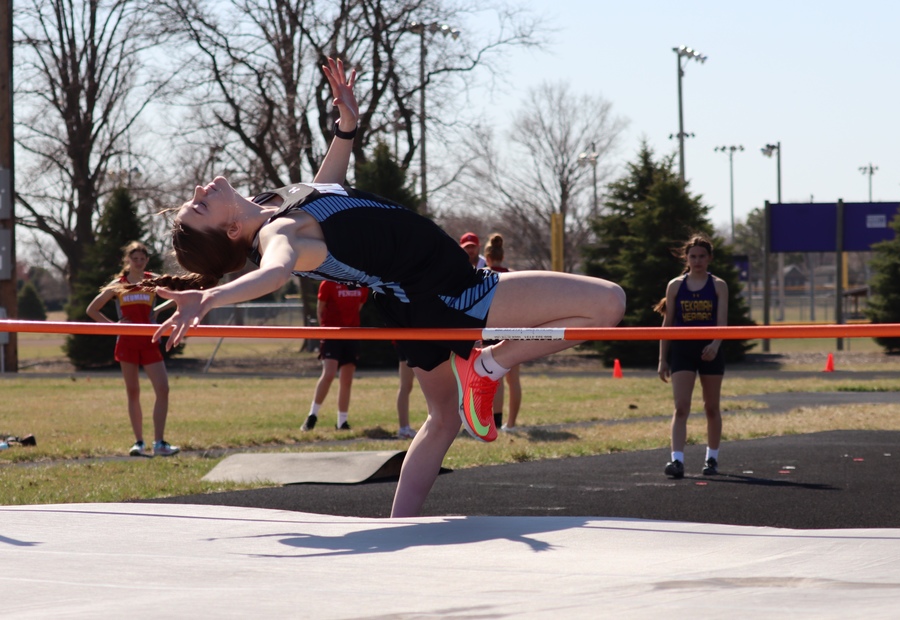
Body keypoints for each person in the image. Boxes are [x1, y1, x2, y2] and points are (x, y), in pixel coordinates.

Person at [148, 57, 625, 517]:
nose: (198, 193)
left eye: (193, 201)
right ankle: (491, 362)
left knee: (443, 420)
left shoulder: (273, 207)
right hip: (447, 290)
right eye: (201, 208)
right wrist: (210, 298)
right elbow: (276, 273)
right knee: (607, 305)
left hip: (408, 301)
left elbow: (326, 194)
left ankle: (398, 531)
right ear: (232, 232)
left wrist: (346, 127)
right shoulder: (278, 237)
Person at [86, 241, 179, 457]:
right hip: (127, 342)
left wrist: (156, 311)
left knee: (163, 389)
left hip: (149, 340)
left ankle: (160, 443)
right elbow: (92, 309)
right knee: (133, 391)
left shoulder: (152, 280)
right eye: (134, 259)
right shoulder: (118, 284)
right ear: (127, 260)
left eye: (142, 259)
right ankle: (139, 442)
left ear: (146, 260)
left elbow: (177, 296)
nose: (138, 262)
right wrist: (113, 327)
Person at [655, 234, 729, 479]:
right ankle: (676, 461)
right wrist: (662, 359)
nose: (697, 261)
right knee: (681, 407)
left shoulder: (718, 285)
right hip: (683, 351)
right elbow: (667, 324)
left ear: (709, 259)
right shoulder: (676, 285)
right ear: (686, 258)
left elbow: (722, 322)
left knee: (711, 407)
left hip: (710, 351)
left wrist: (715, 344)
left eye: (702, 256)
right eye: (693, 256)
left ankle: (712, 459)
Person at [301, 280, 368, 432]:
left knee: (347, 379)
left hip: (351, 333)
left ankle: (342, 421)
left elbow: (357, 307)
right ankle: (312, 415)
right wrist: (325, 332)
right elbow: (320, 310)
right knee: (329, 373)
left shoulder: (361, 283)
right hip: (331, 334)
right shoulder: (328, 283)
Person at [483, 233, 522, 430]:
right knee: (513, 380)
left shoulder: (482, 275)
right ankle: (511, 423)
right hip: (512, 329)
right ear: (502, 256)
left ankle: (495, 422)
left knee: (494, 378)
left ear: (487, 257)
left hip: (491, 329)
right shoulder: (512, 275)